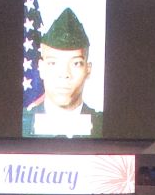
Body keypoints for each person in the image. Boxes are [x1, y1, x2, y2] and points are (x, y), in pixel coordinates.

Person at [24, 7, 104, 137]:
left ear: (88, 70)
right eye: (53, 63)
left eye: (76, 63)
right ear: (41, 68)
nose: (64, 74)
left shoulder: (103, 127)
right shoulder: (22, 125)